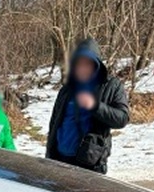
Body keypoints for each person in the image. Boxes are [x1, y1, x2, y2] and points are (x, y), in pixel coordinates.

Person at [46, 38, 130, 173]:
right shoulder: (67, 89)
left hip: (90, 163)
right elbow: (55, 123)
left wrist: (95, 106)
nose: (83, 67)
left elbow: (122, 118)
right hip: (60, 161)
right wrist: (49, 154)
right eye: (79, 63)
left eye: (87, 63)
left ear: (96, 64)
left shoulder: (111, 86)